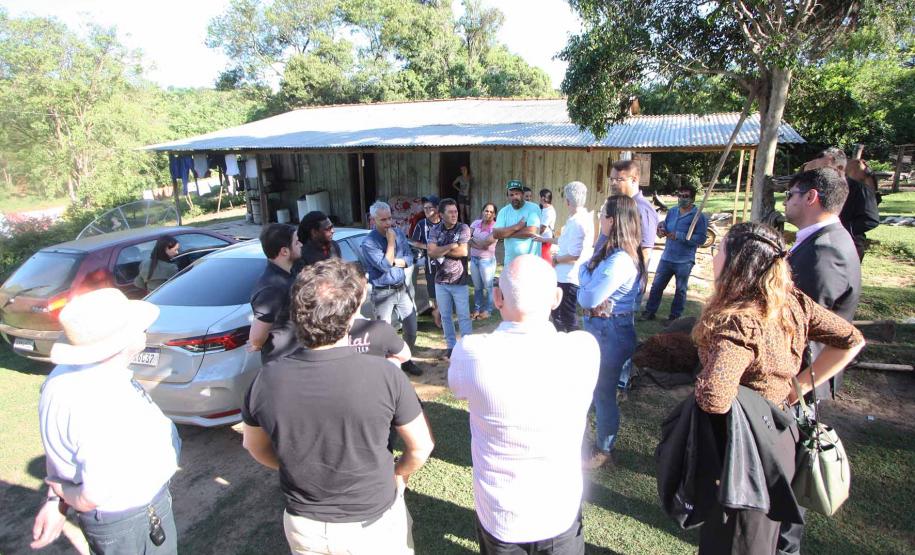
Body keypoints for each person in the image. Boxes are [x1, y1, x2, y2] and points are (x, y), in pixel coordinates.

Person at [692, 222, 864, 554]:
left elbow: (714, 396)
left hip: (744, 452)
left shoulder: (739, 320)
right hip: (781, 439)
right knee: (765, 537)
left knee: (736, 541)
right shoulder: (795, 303)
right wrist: (795, 386)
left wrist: (699, 386)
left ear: (737, 262)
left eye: (720, 249)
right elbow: (851, 339)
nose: (714, 258)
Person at [241, 258, 434, 555]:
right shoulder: (385, 374)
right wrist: (398, 474)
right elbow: (421, 447)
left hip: (306, 527)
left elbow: (254, 446)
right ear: (352, 313)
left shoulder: (265, 380)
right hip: (374, 523)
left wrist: (292, 467)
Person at [450, 254, 599, 555]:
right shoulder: (583, 349)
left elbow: (457, 389)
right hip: (558, 511)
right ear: (556, 298)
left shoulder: (471, 351)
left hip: (500, 515)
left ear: (496, 297)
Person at [31, 288, 181, 554]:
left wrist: (57, 499)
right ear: (119, 344)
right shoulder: (97, 400)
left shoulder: (76, 376)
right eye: (137, 328)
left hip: (136, 512)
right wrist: (65, 494)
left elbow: (64, 456)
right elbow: (93, 495)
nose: (144, 330)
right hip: (130, 520)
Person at [780, 167, 862, 554]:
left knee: (790, 475)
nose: (786, 199)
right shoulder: (817, 241)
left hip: (798, 383)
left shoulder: (826, 251)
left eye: (792, 193)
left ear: (811, 197)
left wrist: (796, 386)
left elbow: (806, 328)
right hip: (796, 380)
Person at [577, 195, 646, 469]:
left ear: (612, 220)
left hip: (610, 331)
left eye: (603, 214)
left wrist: (584, 278)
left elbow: (587, 297)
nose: (600, 218)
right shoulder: (609, 248)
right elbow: (585, 271)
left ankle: (604, 449)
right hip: (605, 328)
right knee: (598, 390)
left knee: (603, 393)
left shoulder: (619, 260)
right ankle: (600, 442)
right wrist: (586, 276)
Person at [609, 159, 659, 394]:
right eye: (612, 179)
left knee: (624, 329)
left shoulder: (642, 209)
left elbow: (646, 252)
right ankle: (612, 371)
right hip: (614, 280)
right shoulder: (620, 205)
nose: (614, 184)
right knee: (612, 328)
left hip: (628, 284)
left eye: (619, 179)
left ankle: (623, 378)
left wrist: (634, 284)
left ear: (634, 180)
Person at [361, 201, 423, 376]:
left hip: (401, 289)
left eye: (390, 218)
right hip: (382, 292)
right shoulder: (369, 243)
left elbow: (409, 259)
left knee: (411, 327)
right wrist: (390, 244)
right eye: (383, 220)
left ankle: (406, 360)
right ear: (374, 220)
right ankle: (389, 367)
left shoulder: (398, 233)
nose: (388, 223)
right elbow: (385, 266)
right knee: (385, 332)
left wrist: (395, 260)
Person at [642, 184, 708, 323]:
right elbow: (665, 226)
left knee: (680, 290)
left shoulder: (698, 217)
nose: (682, 199)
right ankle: (650, 312)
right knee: (656, 286)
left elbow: (701, 239)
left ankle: (674, 317)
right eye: (680, 196)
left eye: (685, 196)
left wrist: (679, 236)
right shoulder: (672, 212)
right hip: (667, 257)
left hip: (684, 260)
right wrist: (660, 230)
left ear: (692, 199)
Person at [534, 181, 594, 333]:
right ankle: (564, 341)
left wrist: (556, 259)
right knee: (558, 312)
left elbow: (574, 255)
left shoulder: (576, 222)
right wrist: (544, 239)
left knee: (565, 315)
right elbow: (563, 240)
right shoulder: (581, 218)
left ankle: (571, 344)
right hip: (566, 275)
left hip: (568, 277)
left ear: (568, 201)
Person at [804, 147, 879, 260]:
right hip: (816, 243)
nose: (820, 173)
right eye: (818, 169)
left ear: (839, 168)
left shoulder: (860, 189)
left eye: (825, 168)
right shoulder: (817, 187)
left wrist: (838, 229)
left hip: (848, 246)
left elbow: (870, 220)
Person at [249, 224, 302, 364]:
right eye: (296, 242)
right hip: (284, 364)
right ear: (284, 251)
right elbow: (256, 338)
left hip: (299, 358)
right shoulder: (272, 288)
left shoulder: (289, 274)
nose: (301, 244)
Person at [427, 198, 473, 357]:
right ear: (441, 214)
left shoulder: (463, 228)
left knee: (463, 316)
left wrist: (440, 249)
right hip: (440, 281)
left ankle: (467, 348)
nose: (454, 214)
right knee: (445, 316)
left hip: (459, 280)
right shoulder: (435, 230)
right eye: (450, 212)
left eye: (456, 211)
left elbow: (463, 252)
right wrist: (451, 246)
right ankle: (451, 346)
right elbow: (431, 252)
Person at [409, 196, 443, 328]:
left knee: (445, 288)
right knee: (433, 291)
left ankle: (439, 312)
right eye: (425, 208)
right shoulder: (421, 224)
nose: (427, 210)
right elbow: (414, 242)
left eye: (430, 207)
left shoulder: (444, 223)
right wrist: (429, 247)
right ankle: (437, 312)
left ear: (437, 208)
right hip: (429, 263)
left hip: (445, 263)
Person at [492, 180, 542, 268]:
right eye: (511, 195)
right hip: (510, 263)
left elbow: (531, 232)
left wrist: (506, 234)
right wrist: (517, 227)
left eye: (517, 194)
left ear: (522, 194)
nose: (514, 197)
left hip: (530, 262)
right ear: (507, 196)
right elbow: (496, 234)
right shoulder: (504, 211)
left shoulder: (533, 208)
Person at [469, 203, 498, 320]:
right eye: (486, 211)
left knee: (488, 287)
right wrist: (479, 243)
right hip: (474, 259)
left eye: (491, 212)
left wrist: (473, 240)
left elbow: (486, 245)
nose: (488, 213)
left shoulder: (496, 227)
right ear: (482, 211)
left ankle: (488, 310)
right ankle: (477, 309)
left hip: (487, 260)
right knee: (477, 286)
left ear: (494, 214)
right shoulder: (475, 223)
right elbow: (466, 238)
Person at [539, 188, 557, 262]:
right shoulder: (544, 209)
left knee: (545, 258)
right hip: (542, 239)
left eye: (539, 196)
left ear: (543, 198)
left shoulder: (549, 212)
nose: (539, 198)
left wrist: (531, 235)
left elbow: (542, 229)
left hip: (545, 239)